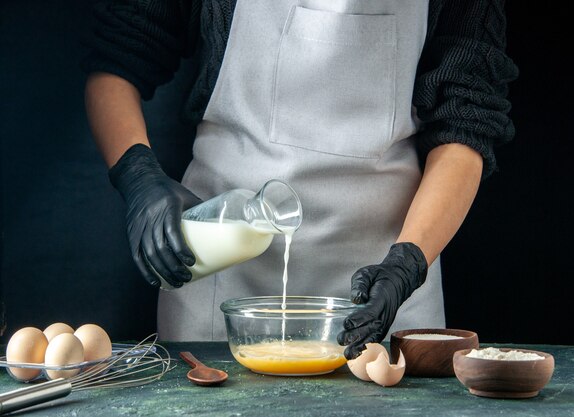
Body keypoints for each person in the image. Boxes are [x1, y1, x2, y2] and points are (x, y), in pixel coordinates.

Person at [82, 0, 518, 359]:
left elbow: (466, 124)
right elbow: (117, 63)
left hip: (385, 283)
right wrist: (137, 174)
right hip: (223, 280)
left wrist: (409, 262)